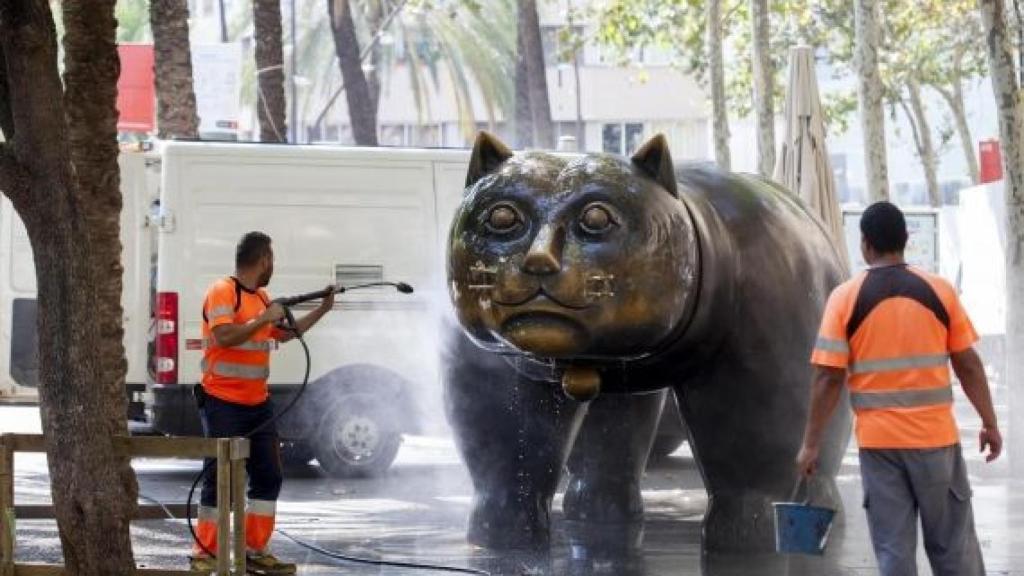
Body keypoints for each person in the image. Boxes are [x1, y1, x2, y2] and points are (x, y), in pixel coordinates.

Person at [797, 201, 1002, 576]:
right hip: (936, 442)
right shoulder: (939, 290)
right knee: (953, 550)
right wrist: (989, 422)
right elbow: (969, 364)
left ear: (865, 245)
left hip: (880, 447)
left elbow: (828, 378)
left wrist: (811, 444)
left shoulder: (845, 298)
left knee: (894, 552)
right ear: (906, 239)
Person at [190, 231, 334, 575]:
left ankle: (254, 550)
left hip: (258, 404)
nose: (274, 265)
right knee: (219, 477)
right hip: (221, 402)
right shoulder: (223, 291)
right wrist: (264, 319)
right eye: (273, 259)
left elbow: (284, 334)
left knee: (269, 475)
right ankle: (204, 553)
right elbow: (223, 336)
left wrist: (322, 309)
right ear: (264, 260)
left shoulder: (261, 298)